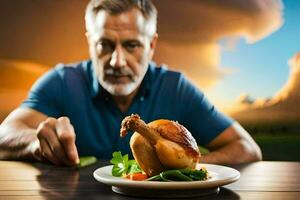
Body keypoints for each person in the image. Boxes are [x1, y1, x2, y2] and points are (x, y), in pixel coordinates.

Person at [0, 0, 262, 166]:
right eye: (104, 45)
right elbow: (4, 134)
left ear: (151, 45)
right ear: (90, 42)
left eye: (131, 45)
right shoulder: (61, 82)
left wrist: (183, 167)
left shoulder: (176, 87)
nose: (117, 61)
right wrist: (35, 143)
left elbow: (246, 147)